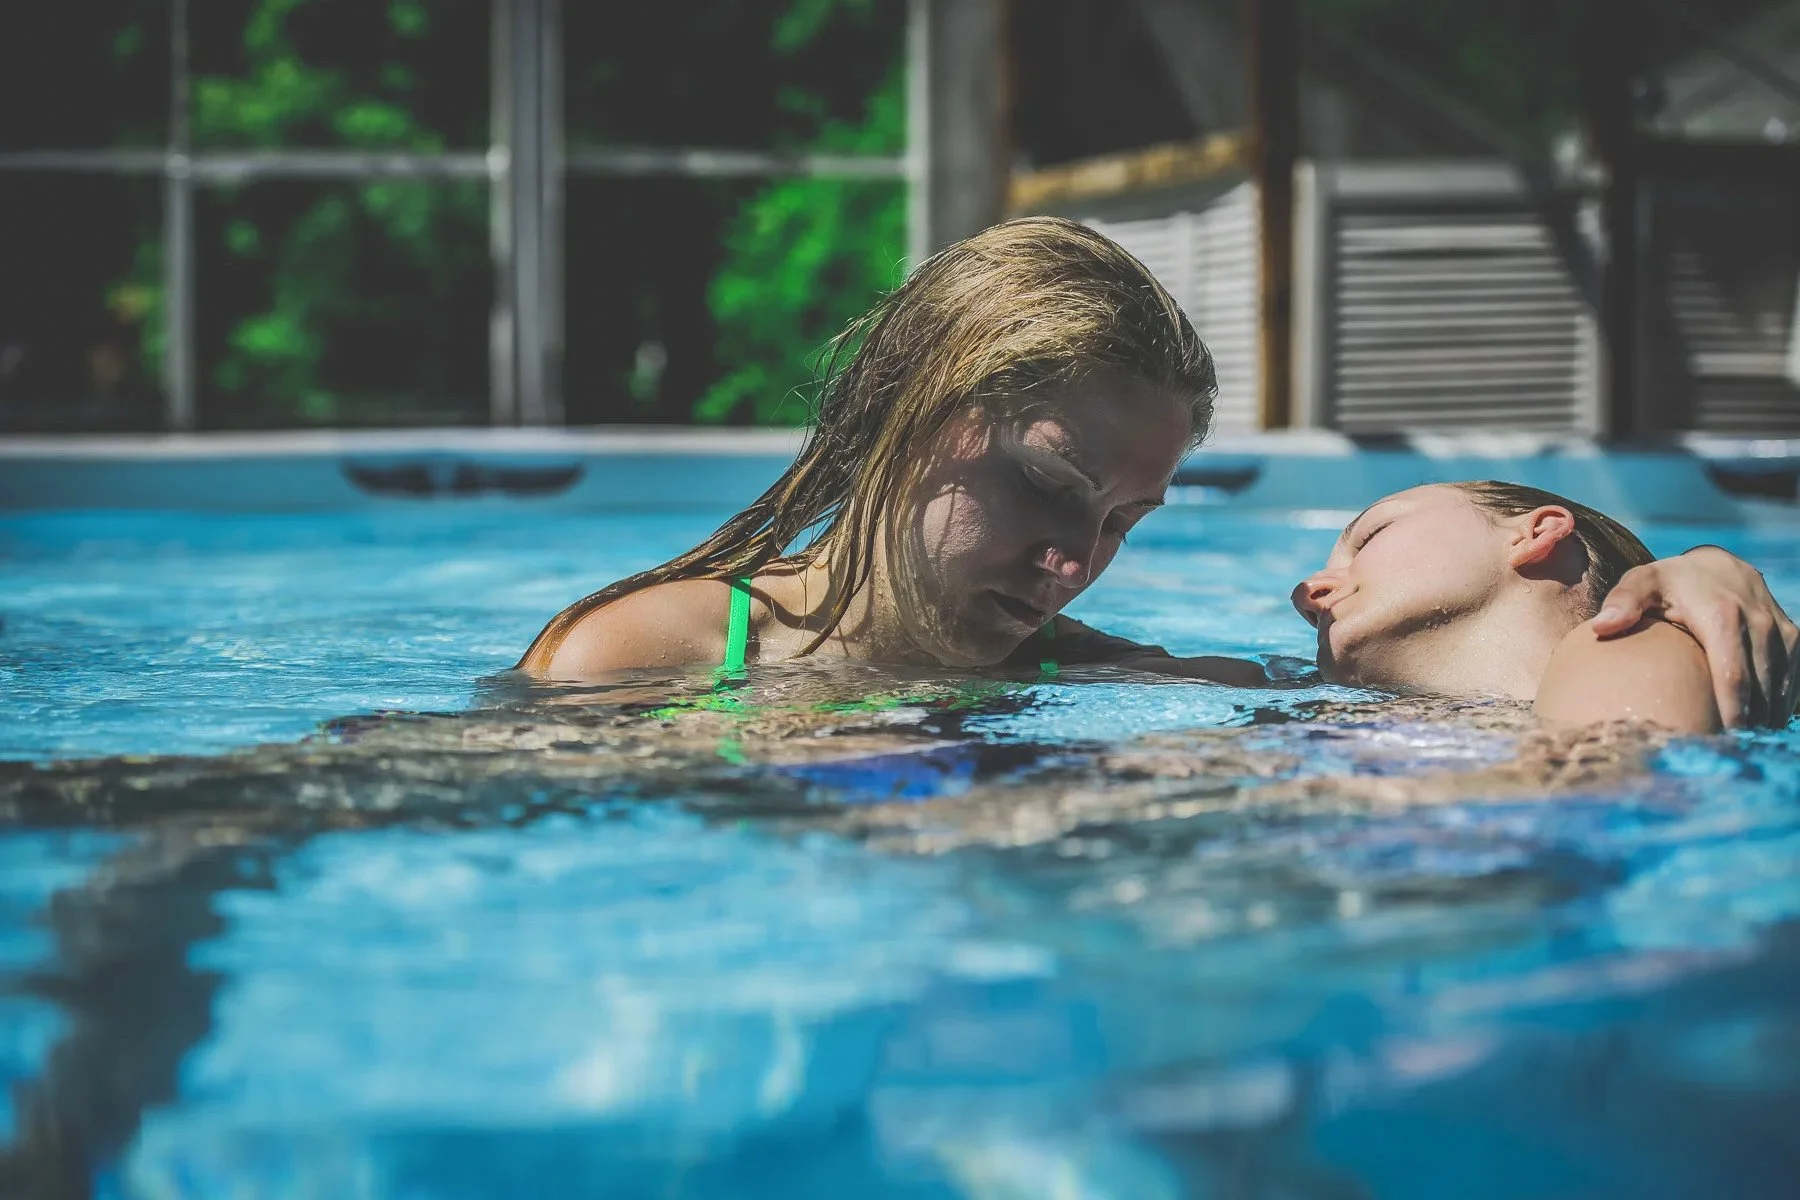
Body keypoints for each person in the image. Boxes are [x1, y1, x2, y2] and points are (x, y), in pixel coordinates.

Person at [521, 217, 1797, 727]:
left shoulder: (1091, 670)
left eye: (1125, 521)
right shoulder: (637, 654)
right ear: (915, 415)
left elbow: (1471, 722)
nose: (1075, 565)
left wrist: (1678, 574)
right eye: (1050, 485)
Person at [1292, 481, 1798, 733]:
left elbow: (1599, 809)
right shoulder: (1294, 698)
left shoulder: (1628, 646)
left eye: (1373, 534)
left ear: (1537, 533)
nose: (1305, 593)